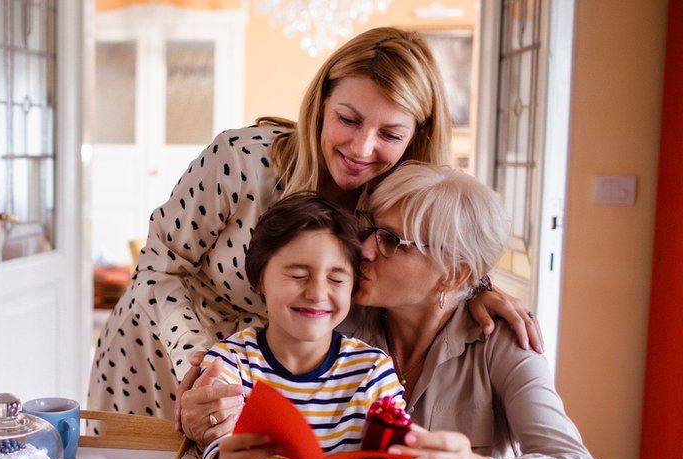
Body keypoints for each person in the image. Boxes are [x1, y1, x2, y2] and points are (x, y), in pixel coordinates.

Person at [89, 26, 541, 425]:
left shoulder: (395, 203)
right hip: (155, 360)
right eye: (348, 119)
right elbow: (159, 267)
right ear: (321, 102)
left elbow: (440, 253)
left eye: (390, 134)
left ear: (417, 136)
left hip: (269, 384)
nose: (362, 148)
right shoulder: (242, 161)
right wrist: (205, 358)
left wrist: (477, 286)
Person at [342, 163, 599, 459]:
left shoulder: (503, 341)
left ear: (454, 274)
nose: (365, 249)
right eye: (369, 229)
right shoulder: (339, 323)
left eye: (391, 241)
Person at [197, 194, 404, 459]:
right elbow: (215, 455)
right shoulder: (230, 362)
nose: (317, 292)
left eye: (336, 278)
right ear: (259, 280)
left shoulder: (372, 371)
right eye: (297, 275)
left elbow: (402, 458)